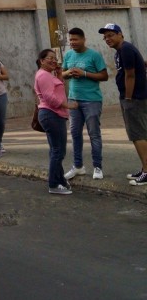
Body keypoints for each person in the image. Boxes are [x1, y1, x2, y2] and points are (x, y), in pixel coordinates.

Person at [99, 23, 147, 185]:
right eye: (105, 37)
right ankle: (144, 168)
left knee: (137, 134)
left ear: (120, 34)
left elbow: (130, 75)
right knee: (139, 133)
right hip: (135, 97)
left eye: (111, 35)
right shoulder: (123, 50)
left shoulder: (125, 49)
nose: (107, 39)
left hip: (134, 99)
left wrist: (128, 98)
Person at [61, 27, 108, 181]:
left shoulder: (94, 55)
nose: (72, 42)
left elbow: (104, 76)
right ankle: (78, 166)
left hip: (92, 100)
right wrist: (69, 73)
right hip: (73, 100)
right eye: (71, 40)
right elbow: (62, 74)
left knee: (94, 134)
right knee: (75, 134)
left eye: (75, 39)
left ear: (83, 39)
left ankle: (97, 167)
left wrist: (84, 74)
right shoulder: (68, 55)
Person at [34, 49, 71, 195]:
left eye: (54, 58)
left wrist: (60, 74)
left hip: (54, 115)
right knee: (58, 151)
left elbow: (58, 90)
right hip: (52, 114)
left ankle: (60, 180)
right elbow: (50, 97)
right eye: (49, 58)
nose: (53, 60)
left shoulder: (49, 75)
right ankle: (54, 184)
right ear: (42, 60)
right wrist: (68, 105)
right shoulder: (43, 75)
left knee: (56, 150)